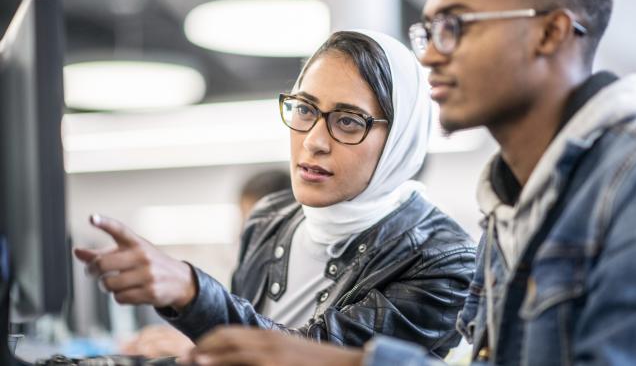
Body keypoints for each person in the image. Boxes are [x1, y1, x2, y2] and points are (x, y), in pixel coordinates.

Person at [184, 0, 636, 365]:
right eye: (430, 27)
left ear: (551, 33)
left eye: (457, 25)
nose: (433, 55)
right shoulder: (513, 200)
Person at [74, 30, 476, 357]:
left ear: (400, 139)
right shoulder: (270, 217)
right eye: (304, 109)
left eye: (349, 121)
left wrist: (193, 292)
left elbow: (318, 356)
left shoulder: (445, 261)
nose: (314, 140)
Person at [119, 169, 292, 358]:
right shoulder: (250, 277)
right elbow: (243, 333)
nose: (246, 234)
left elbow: (278, 352)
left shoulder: (299, 287)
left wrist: (201, 349)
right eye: (246, 223)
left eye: (260, 226)